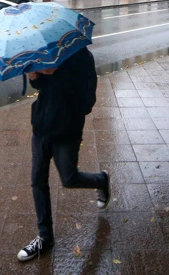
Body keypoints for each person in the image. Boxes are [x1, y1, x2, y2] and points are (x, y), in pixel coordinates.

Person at [17, 46, 110, 262]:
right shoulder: (44, 51)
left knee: (69, 178)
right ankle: (45, 236)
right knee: (37, 181)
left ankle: (102, 180)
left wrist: (59, 73)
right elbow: (42, 88)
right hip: (41, 127)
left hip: (66, 130)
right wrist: (35, 77)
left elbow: (87, 103)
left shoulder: (81, 56)